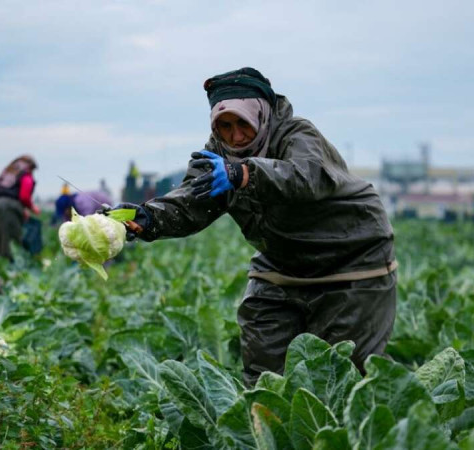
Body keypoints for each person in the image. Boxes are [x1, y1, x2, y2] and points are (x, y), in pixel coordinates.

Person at [114, 67, 397, 385]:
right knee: (263, 371)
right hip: (282, 262)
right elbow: (191, 202)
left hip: (353, 259)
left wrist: (245, 173)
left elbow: (305, 177)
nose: (235, 137)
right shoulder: (218, 154)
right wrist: (147, 218)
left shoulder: (296, 134)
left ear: (262, 115)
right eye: (225, 126)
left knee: (343, 373)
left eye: (243, 124)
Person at [0, 155, 40, 260]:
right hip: (8, 209)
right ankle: (15, 268)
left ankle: (0, 268)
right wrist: (32, 207)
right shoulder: (25, 173)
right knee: (13, 246)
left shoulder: (8, 172)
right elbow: (24, 196)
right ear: (30, 166)